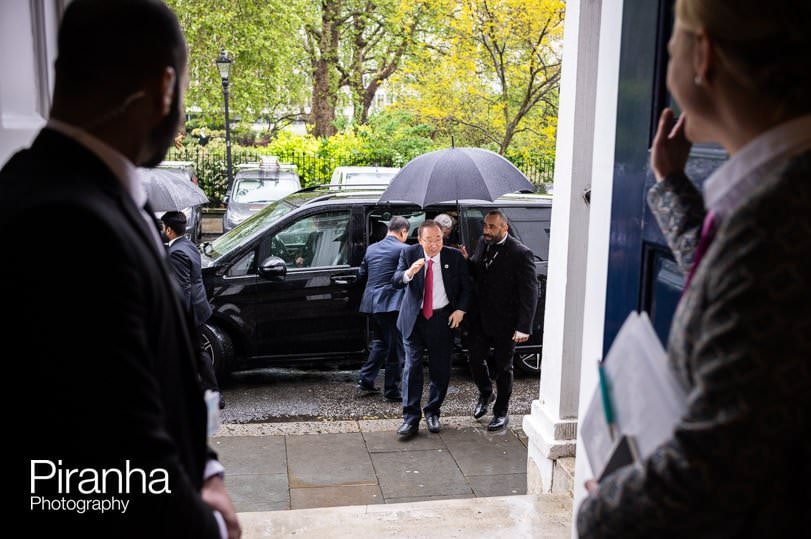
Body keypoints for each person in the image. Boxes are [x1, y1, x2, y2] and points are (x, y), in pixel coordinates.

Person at [0, 1, 240, 537]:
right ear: (164, 87)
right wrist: (209, 526)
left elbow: (166, 361)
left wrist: (206, 467)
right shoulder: (64, 224)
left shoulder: (89, 186)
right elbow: (111, 446)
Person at [577, 1, 811, 537]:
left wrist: (601, 510)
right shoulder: (778, 197)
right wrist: (671, 183)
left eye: (671, 45)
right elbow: (733, 282)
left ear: (703, 55)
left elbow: (713, 473)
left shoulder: (777, 219)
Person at [393, 220, 472, 437]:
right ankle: (410, 419)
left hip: (442, 318)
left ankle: (433, 412)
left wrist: (461, 310)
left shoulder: (453, 257)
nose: (434, 244)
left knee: (440, 369)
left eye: (438, 239)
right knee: (412, 368)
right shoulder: (409, 253)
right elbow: (396, 280)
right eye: (429, 240)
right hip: (414, 319)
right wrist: (409, 272)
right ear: (420, 240)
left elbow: (467, 287)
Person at [467, 211, 537, 431]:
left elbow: (530, 292)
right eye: (485, 226)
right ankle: (486, 393)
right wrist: (467, 260)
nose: (486, 231)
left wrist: (524, 327)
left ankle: (501, 412)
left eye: (492, 227)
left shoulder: (521, 253)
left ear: (504, 227)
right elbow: (479, 271)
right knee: (474, 359)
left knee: (503, 367)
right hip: (481, 317)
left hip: (507, 321)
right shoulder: (483, 242)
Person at [162, 211, 223, 408]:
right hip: (199, 306)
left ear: (169, 230)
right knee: (196, 353)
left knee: (196, 354)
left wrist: (180, 317)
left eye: (163, 228)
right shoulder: (188, 245)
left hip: (189, 312)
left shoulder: (176, 253)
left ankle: (211, 394)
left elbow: (183, 288)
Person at [356, 216, 410, 401]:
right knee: (395, 348)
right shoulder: (404, 249)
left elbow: (361, 274)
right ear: (403, 232)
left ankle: (366, 379)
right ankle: (392, 391)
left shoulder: (371, 249)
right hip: (392, 304)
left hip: (372, 304)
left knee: (380, 343)